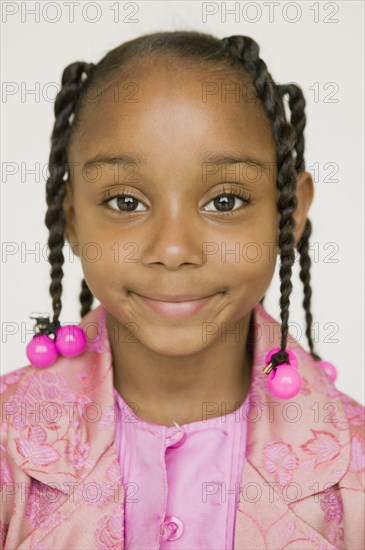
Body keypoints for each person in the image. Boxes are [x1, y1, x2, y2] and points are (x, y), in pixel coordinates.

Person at [1, 31, 364, 550]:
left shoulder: (353, 470)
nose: (173, 249)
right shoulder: (8, 444)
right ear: (73, 218)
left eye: (225, 201)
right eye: (126, 202)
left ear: (290, 214)